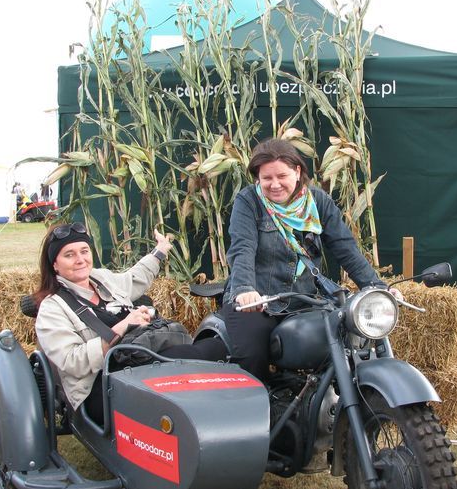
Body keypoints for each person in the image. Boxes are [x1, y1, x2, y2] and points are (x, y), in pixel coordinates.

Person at [223, 138, 403, 382]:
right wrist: (245, 289)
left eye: (281, 176)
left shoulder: (318, 202)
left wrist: (377, 288)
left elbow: (345, 249)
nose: (274, 184)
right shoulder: (249, 202)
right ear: (258, 178)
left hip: (303, 300)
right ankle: (258, 415)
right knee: (252, 358)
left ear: (297, 172)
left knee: (341, 343)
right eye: (266, 178)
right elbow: (242, 247)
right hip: (259, 302)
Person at [34, 223, 227, 423]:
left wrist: (159, 251)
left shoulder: (100, 278)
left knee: (216, 348)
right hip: (99, 385)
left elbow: (134, 279)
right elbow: (71, 363)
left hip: (137, 361)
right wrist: (123, 326)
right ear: (54, 264)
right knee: (190, 357)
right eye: (69, 255)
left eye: (84, 251)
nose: (80, 259)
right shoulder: (52, 308)